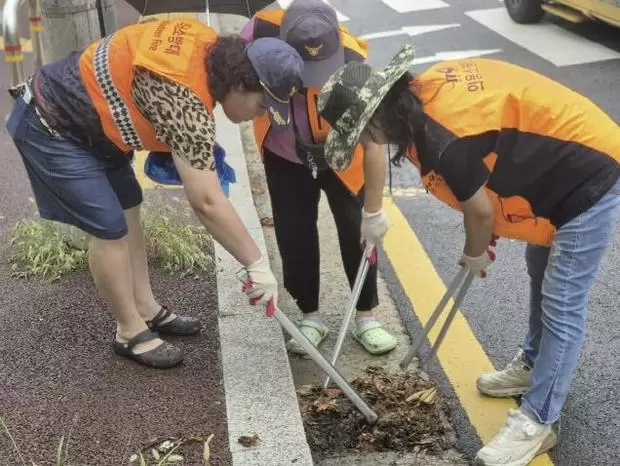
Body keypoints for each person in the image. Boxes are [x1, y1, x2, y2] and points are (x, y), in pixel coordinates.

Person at [316, 44, 619, 465]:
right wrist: (487, 230)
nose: (368, 142)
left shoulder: (440, 136)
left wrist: (476, 252)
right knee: (540, 267)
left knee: (563, 300)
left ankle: (539, 419)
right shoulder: (426, 101)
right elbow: (489, 158)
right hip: (558, 167)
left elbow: (478, 210)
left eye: (363, 133)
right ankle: (533, 363)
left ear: (377, 116)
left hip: (589, 172)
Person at [5, 18, 305, 369]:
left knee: (130, 207)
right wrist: (256, 263)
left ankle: (145, 307)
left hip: (96, 124)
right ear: (241, 83)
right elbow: (206, 202)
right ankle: (129, 331)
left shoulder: (206, 44)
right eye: (261, 106)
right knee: (109, 227)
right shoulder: (186, 102)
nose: (260, 116)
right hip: (52, 122)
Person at [239, 0, 398, 355]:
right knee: (294, 231)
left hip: (343, 156)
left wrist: (373, 211)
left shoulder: (355, 65)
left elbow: (374, 144)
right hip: (283, 151)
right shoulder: (257, 33)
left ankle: (366, 317)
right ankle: (310, 316)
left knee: (356, 230)